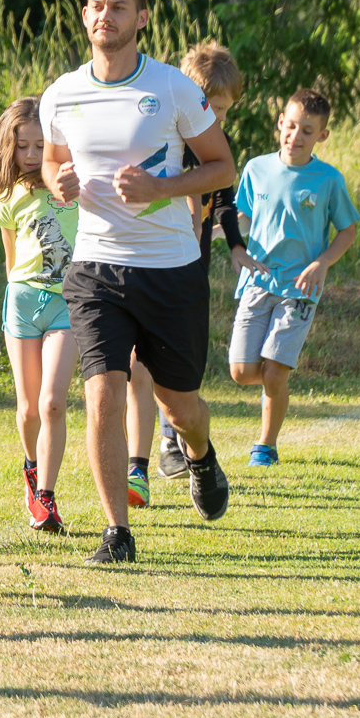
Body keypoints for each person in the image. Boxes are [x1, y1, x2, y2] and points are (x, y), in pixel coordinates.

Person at [40, 0, 235, 564]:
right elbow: (51, 162)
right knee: (101, 394)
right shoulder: (61, 94)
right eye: (97, 4)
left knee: (181, 405)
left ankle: (198, 454)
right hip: (96, 266)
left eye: (118, 6)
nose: (106, 15)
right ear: (84, 14)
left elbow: (221, 167)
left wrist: (161, 189)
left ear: (141, 17)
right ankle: (116, 532)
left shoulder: (173, 89)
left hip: (171, 268)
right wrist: (58, 182)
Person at [126, 42, 248, 500]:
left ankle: (179, 437)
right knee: (140, 360)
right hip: (149, 259)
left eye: (223, 110)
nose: (216, 117)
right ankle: (161, 446)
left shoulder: (214, 145)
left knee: (176, 360)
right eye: (211, 107)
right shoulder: (165, 139)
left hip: (191, 264)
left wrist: (234, 245)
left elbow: (225, 201)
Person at [228, 89, 359, 466]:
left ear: (322, 136)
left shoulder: (328, 179)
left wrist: (323, 263)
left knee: (273, 369)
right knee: (241, 372)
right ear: (279, 125)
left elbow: (347, 230)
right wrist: (218, 232)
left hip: (300, 290)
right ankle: (277, 385)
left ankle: (264, 447)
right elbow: (243, 218)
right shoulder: (256, 168)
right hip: (257, 282)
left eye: (307, 130)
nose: (295, 136)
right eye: (290, 126)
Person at [0, 96, 78, 534]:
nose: (34, 155)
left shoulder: (74, 186)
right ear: (11, 147)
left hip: (68, 303)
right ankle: (31, 468)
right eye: (24, 146)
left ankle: (48, 497)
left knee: (53, 403)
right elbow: (11, 260)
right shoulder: (9, 196)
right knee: (28, 410)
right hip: (21, 304)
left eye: (42, 145)